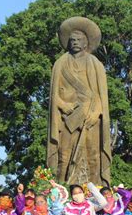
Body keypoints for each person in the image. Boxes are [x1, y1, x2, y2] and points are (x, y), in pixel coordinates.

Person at [47, 16, 112, 186]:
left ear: (86, 43)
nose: (75, 42)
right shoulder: (60, 64)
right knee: (64, 155)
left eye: (79, 39)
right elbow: (54, 96)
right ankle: (61, 191)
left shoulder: (95, 63)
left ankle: (96, 191)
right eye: (72, 39)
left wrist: (96, 111)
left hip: (91, 117)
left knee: (93, 156)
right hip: (67, 119)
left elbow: (101, 95)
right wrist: (64, 105)